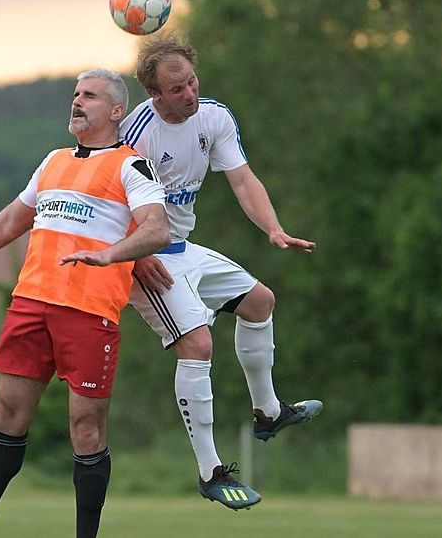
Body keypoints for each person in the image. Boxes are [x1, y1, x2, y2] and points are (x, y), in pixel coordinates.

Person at [0, 69, 169, 538]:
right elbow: (8, 222)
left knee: (85, 430)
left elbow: (156, 228)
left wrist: (111, 254)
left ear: (117, 111)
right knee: (6, 414)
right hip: (31, 303)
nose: (77, 102)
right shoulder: (53, 161)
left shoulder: (131, 166)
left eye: (90, 96)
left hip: (88, 313)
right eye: (75, 94)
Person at [120, 36, 323, 511]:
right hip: (144, 260)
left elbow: (242, 179)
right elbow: (108, 205)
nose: (189, 93)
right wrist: (133, 257)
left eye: (191, 81)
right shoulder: (136, 133)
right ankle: (211, 472)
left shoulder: (214, 116)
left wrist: (274, 228)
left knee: (260, 301)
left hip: (181, 249)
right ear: (155, 94)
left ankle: (268, 413)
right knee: (198, 344)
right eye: (176, 89)